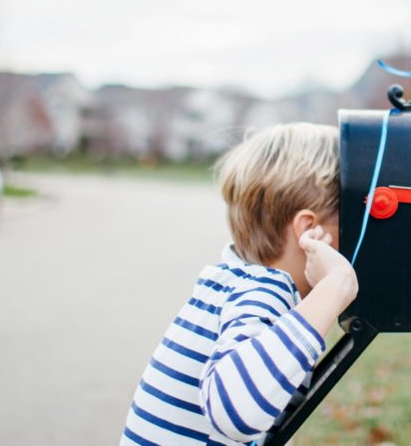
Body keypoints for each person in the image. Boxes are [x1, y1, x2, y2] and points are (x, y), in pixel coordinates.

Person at [121, 123, 359, 445]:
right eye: (351, 217)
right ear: (309, 231)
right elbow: (236, 413)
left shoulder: (234, 281)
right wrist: (335, 285)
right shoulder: (264, 292)